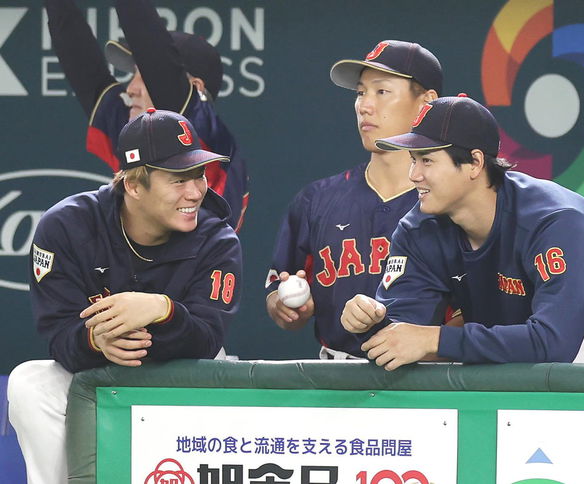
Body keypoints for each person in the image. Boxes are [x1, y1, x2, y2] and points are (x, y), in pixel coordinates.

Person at [7, 108, 242, 484]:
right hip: (99, 370)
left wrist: (161, 310)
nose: (196, 191)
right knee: (29, 383)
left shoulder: (217, 238)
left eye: (198, 174)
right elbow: (58, 334)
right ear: (134, 186)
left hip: (184, 372)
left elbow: (208, 338)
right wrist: (94, 340)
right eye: (178, 179)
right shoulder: (66, 226)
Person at [341, 95, 584, 369]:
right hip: (518, 349)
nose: (414, 175)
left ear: (475, 163)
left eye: (427, 160)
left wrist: (435, 340)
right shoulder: (418, 229)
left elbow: (554, 343)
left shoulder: (554, 220)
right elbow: (403, 338)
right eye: (412, 160)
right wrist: (371, 324)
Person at [265, 41, 443, 359]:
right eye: (361, 92)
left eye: (381, 91)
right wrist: (287, 306)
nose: (364, 106)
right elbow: (277, 297)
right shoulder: (316, 200)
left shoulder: (451, 203)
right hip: (337, 381)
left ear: (425, 103)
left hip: (432, 384)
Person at [44, 0, 249, 231]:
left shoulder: (202, 135)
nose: (130, 88)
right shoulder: (145, 138)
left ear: (195, 88)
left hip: (195, 264)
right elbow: (84, 67)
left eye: (145, 76)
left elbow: (145, 32)